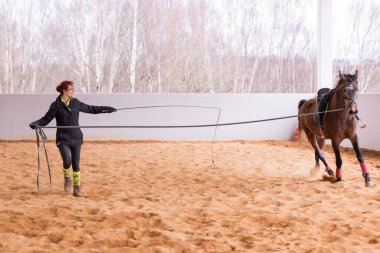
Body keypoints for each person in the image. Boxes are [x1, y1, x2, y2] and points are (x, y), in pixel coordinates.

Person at [29, 80, 117, 197]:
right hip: (62, 138)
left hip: (76, 137)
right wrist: (35, 123)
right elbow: (46, 119)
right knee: (67, 160)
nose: (73, 91)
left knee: (76, 163)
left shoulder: (76, 103)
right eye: (71, 89)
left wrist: (107, 109)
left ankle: (77, 187)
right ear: (64, 91)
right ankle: (67, 179)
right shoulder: (55, 105)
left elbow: (91, 109)